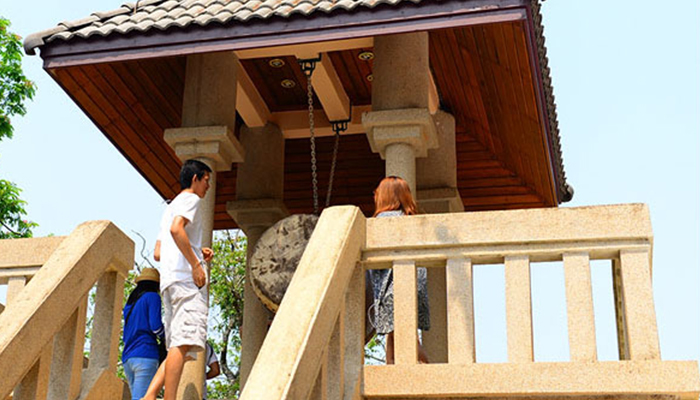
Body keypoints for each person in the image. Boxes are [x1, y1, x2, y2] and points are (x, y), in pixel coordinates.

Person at [144, 159, 214, 400]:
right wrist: (196, 264)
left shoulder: (170, 207)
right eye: (206, 180)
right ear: (195, 178)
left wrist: (196, 251)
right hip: (186, 282)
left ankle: (150, 395)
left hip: (170, 281)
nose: (208, 186)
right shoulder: (191, 199)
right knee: (183, 344)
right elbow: (177, 229)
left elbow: (158, 252)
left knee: (178, 346)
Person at [368, 176, 430, 364]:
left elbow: (377, 261)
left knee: (403, 337)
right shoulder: (412, 222)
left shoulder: (382, 221)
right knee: (400, 335)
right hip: (413, 287)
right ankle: (395, 369)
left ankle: (427, 367)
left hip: (391, 288)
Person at [122, 268, 165, 400]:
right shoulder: (153, 297)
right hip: (145, 354)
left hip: (128, 357)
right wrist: (166, 337)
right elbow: (155, 326)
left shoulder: (130, 303)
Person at [141, 341, 220, 400]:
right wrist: (200, 377)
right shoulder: (206, 346)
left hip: (174, 391)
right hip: (200, 394)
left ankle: (151, 395)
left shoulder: (172, 345)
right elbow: (215, 370)